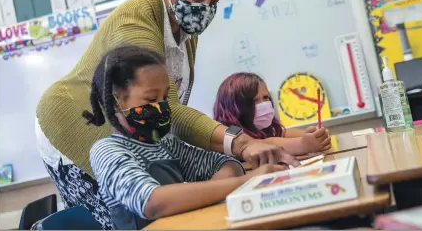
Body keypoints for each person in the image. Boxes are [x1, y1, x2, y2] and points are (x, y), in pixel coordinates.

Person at [35, 0, 295, 228]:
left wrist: (232, 173)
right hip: (71, 123)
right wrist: (243, 149)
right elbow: (154, 197)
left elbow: (205, 152)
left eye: (214, 1)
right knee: (119, 215)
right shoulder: (133, 28)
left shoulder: (184, 21)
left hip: (137, 134)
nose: (206, 9)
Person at [86, 46, 287, 229]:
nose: (162, 106)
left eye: (165, 98)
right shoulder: (106, 151)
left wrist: (201, 194)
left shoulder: (166, 143)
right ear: (115, 104)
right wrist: (248, 180)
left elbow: (226, 164)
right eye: (151, 99)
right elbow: (152, 203)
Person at [213, 72, 332, 156]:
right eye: (254, 101)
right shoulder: (229, 133)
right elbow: (263, 144)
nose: (263, 104)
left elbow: (281, 133)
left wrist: (313, 135)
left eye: (265, 98)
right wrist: (302, 144)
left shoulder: (261, 128)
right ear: (233, 107)